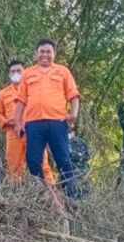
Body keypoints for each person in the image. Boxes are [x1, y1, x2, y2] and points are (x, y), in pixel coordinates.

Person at [14, 39, 80, 199]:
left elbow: (73, 95)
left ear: (54, 54)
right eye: (42, 51)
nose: (45, 55)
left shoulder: (63, 71)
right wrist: (17, 122)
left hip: (57, 122)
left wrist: (74, 114)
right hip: (33, 124)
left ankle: (72, 198)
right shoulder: (28, 73)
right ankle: (48, 195)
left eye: (48, 52)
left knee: (63, 160)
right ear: (36, 53)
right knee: (33, 161)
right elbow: (21, 100)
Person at [0, 60, 55, 185]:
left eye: (19, 71)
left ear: (24, 72)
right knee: (14, 167)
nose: (16, 73)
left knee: (42, 164)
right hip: (13, 134)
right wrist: (7, 123)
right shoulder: (2, 94)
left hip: (33, 132)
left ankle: (50, 192)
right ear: (9, 74)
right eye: (13, 71)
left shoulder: (34, 90)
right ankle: (16, 195)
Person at [68, 124, 91, 196]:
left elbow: (87, 156)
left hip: (81, 173)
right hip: (67, 175)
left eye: (70, 130)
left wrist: (73, 156)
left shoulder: (81, 142)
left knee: (83, 195)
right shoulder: (62, 143)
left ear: (74, 130)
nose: (69, 132)